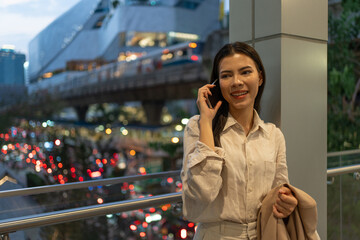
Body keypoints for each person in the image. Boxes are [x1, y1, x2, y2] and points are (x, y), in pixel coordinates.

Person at [181, 42, 298, 240]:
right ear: (217, 84)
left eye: (245, 72)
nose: (236, 82)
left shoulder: (273, 135)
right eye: (226, 75)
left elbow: (279, 192)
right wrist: (207, 121)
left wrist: (287, 203)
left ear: (259, 78)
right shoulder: (199, 126)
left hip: (263, 233)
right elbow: (198, 198)